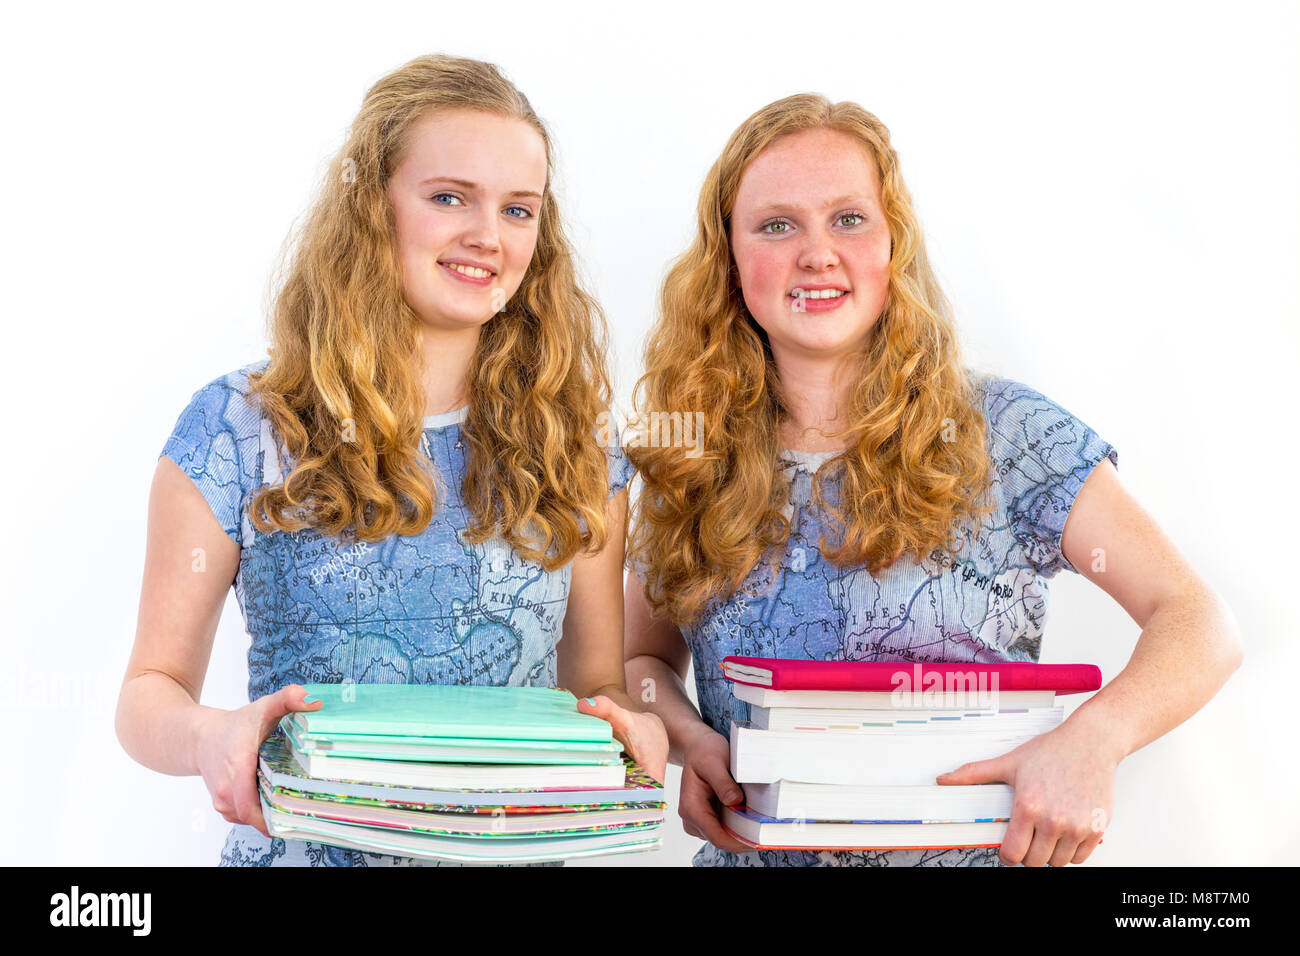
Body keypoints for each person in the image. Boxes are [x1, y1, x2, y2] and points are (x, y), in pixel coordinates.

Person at [622, 93, 1243, 867]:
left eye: (848, 219)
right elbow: (640, 663)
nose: (817, 253)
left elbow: (1199, 621)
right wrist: (689, 739)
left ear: (893, 246)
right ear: (729, 258)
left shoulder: (1008, 433)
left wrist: (1095, 741)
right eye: (777, 225)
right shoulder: (689, 454)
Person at [116, 53, 667, 867]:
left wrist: (635, 725)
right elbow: (146, 694)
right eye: (449, 198)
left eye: (519, 210)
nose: (487, 236)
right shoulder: (240, 427)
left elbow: (596, 689)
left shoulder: (575, 447)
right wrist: (212, 735)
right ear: (373, 207)